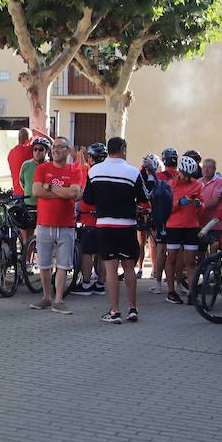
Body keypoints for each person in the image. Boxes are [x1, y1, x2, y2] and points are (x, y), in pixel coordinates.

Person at [81, 137, 145, 323]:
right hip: (127, 226)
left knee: (110, 269)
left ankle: (115, 311)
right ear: (123, 149)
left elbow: (87, 200)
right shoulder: (133, 172)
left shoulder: (94, 171)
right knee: (129, 268)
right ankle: (133, 309)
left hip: (104, 225)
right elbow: (143, 199)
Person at [31, 137, 84, 316]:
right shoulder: (42, 168)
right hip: (44, 223)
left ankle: (59, 299)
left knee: (63, 264)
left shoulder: (74, 169)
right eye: (54, 147)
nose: (55, 150)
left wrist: (51, 187)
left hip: (66, 225)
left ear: (68, 150)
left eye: (60, 147)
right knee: (44, 264)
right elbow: (36, 191)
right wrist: (64, 193)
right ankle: (46, 297)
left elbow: (75, 193)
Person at [163, 155, 205, 305]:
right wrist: (179, 203)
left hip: (191, 226)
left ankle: (193, 294)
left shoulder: (197, 184)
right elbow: (166, 208)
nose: (187, 178)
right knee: (172, 258)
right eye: (185, 175)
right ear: (179, 171)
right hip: (173, 226)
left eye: (190, 176)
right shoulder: (170, 184)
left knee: (190, 261)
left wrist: (200, 203)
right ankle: (171, 291)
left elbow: (202, 204)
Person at [73, 143, 107, 295]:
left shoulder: (91, 173)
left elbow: (86, 197)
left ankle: (86, 285)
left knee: (87, 252)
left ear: (92, 158)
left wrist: (78, 207)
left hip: (90, 219)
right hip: (106, 220)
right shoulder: (109, 172)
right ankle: (100, 285)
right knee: (103, 254)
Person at [147, 153, 173, 294]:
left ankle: (161, 283)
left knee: (162, 249)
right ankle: (160, 281)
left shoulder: (160, 177)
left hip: (165, 217)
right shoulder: (163, 177)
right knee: (163, 249)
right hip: (162, 217)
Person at [18, 137, 50, 247]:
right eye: (35, 149)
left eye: (40, 150)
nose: (37, 152)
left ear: (47, 151)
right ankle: (26, 260)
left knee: (42, 237)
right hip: (28, 204)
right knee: (27, 237)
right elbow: (22, 181)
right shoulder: (26, 165)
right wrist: (28, 191)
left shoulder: (50, 166)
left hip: (44, 205)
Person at [7, 127, 33, 196]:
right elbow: (51, 143)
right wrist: (37, 132)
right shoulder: (29, 150)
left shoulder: (11, 153)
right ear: (29, 139)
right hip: (27, 193)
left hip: (16, 192)